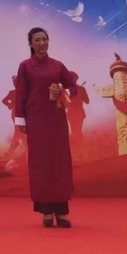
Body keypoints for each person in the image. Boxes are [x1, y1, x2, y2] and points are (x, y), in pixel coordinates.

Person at [14, 27, 79, 228]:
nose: (42, 43)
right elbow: (21, 94)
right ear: (31, 44)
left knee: (59, 163)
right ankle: (46, 211)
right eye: (37, 40)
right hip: (36, 121)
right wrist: (21, 120)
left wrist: (62, 91)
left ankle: (62, 211)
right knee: (41, 164)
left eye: (44, 39)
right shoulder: (26, 66)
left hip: (56, 120)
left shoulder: (58, 65)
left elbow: (73, 87)